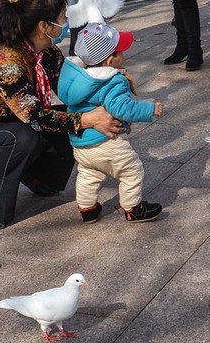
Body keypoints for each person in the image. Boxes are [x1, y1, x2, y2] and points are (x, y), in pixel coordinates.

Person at [0, 0, 121, 230]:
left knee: (69, 115)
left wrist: (111, 94)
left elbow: (72, 90)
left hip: (12, 123)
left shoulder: (47, 51)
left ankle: (39, 177)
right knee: (24, 137)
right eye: (63, 18)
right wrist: (87, 120)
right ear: (44, 26)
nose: (67, 23)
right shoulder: (5, 58)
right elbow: (34, 117)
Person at [57, 22, 164, 224]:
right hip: (106, 141)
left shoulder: (79, 78)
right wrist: (150, 109)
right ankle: (133, 208)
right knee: (132, 170)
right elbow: (121, 108)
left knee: (89, 172)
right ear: (109, 60)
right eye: (120, 51)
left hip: (81, 143)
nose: (123, 55)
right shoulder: (111, 80)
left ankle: (87, 209)